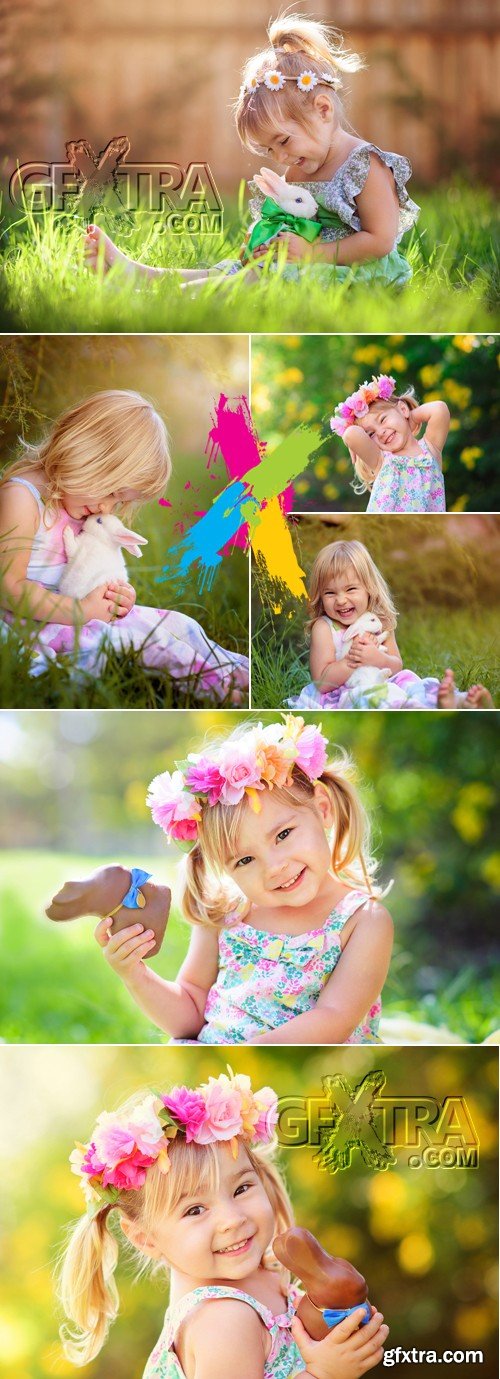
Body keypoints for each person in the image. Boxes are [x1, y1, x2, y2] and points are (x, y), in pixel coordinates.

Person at [58, 1069, 388, 1376]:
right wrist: (323, 1374)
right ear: (145, 1238)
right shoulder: (222, 1321)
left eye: (242, 1188)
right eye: (195, 1210)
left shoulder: (264, 1272)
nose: (232, 1219)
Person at [87, 715, 394, 1044]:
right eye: (245, 859)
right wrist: (135, 974)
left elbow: (335, 1019)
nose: (275, 867)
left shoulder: (362, 920)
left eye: (284, 834)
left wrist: (243, 1058)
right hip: (217, 1069)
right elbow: (189, 1015)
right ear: (222, 867)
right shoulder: (227, 912)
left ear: (322, 809)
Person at [82, 14, 419, 291]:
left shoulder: (366, 166)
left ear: (323, 110)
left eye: (283, 142)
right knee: (233, 270)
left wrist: (314, 253)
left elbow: (380, 242)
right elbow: (291, 221)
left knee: (259, 282)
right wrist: (268, 244)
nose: (280, 158)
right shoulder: (300, 168)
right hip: (307, 264)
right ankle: (139, 276)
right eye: (269, 149)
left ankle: (172, 297)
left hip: (361, 276)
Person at [0, 389, 248, 700]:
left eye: (119, 501)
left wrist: (114, 597)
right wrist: (81, 611)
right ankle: (221, 693)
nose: (107, 508)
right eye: (111, 492)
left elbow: (84, 569)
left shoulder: (77, 503)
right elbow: (8, 588)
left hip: (75, 609)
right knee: (131, 643)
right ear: (85, 454)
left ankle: (236, 672)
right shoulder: (22, 499)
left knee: (177, 624)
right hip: (30, 622)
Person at [286, 541, 493, 711]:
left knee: (417, 685)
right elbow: (321, 683)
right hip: (349, 691)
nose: (341, 600)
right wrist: (352, 661)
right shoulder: (324, 628)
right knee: (372, 699)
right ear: (320, 597)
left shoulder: (379, 621)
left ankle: (458, 702)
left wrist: (378, 659)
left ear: (369, 588)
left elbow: (396, 665)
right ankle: (416, 708)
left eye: (350, 589)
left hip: (387, 681)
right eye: (330, 593)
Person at [330, 374, 448, 513]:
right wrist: (351, 434)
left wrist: (410, 416)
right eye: (371, 434)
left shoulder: (430, 449)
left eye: (383, 419)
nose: (380, 432)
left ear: (403, 409)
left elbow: (439, 409)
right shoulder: (381, 460)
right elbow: (350, 435)